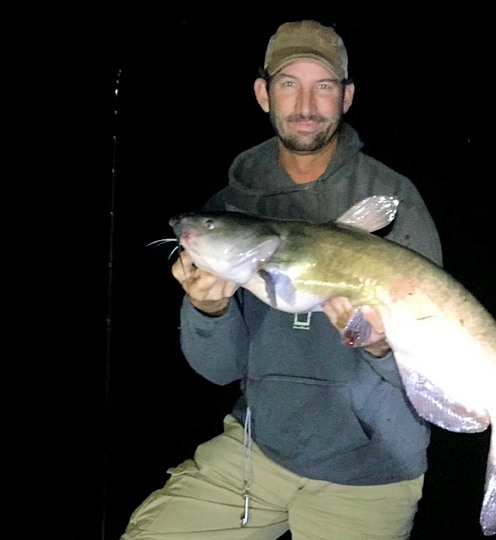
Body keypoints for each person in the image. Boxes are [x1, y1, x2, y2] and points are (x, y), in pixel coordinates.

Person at [121, 20, 442, 539]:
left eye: (325, 86)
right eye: (289, 83)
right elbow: (219, 371)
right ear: (263, 93)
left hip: (368, 468)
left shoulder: (392, 199)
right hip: (259, 450)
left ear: (347, 97)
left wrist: (384, 348)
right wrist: (209, 312)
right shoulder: (231, 210)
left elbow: (429, 368)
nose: (306, 104)